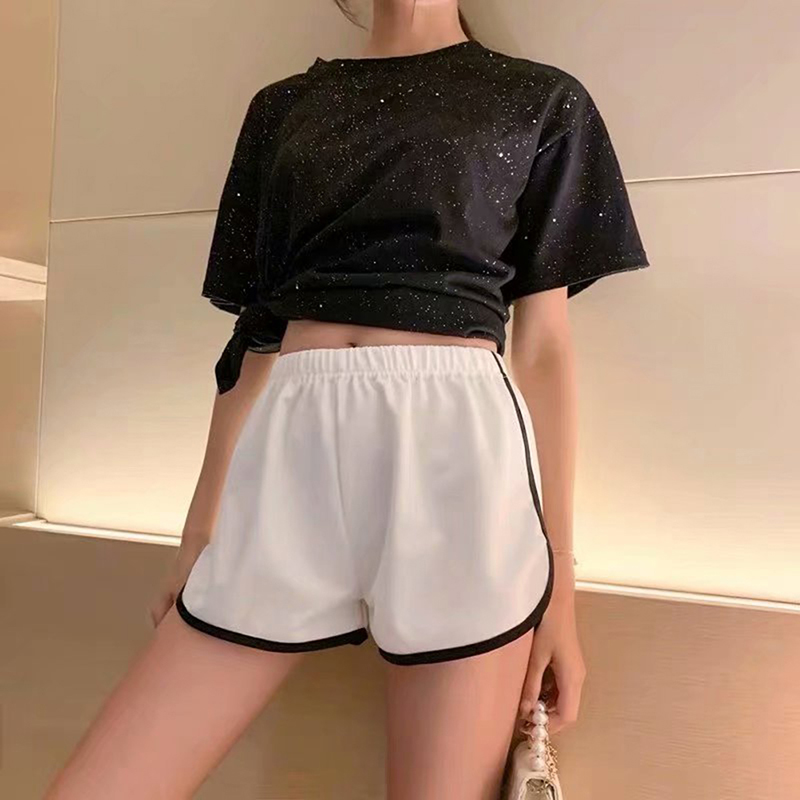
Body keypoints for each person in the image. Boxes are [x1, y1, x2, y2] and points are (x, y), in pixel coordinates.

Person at [44, 1, 650, 798]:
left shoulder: (541, 99)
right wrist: (200, 531)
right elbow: (255, 336)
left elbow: (543, 349)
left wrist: (559, 586)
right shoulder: (283, 108)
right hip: (292, 446)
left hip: (456, 456)